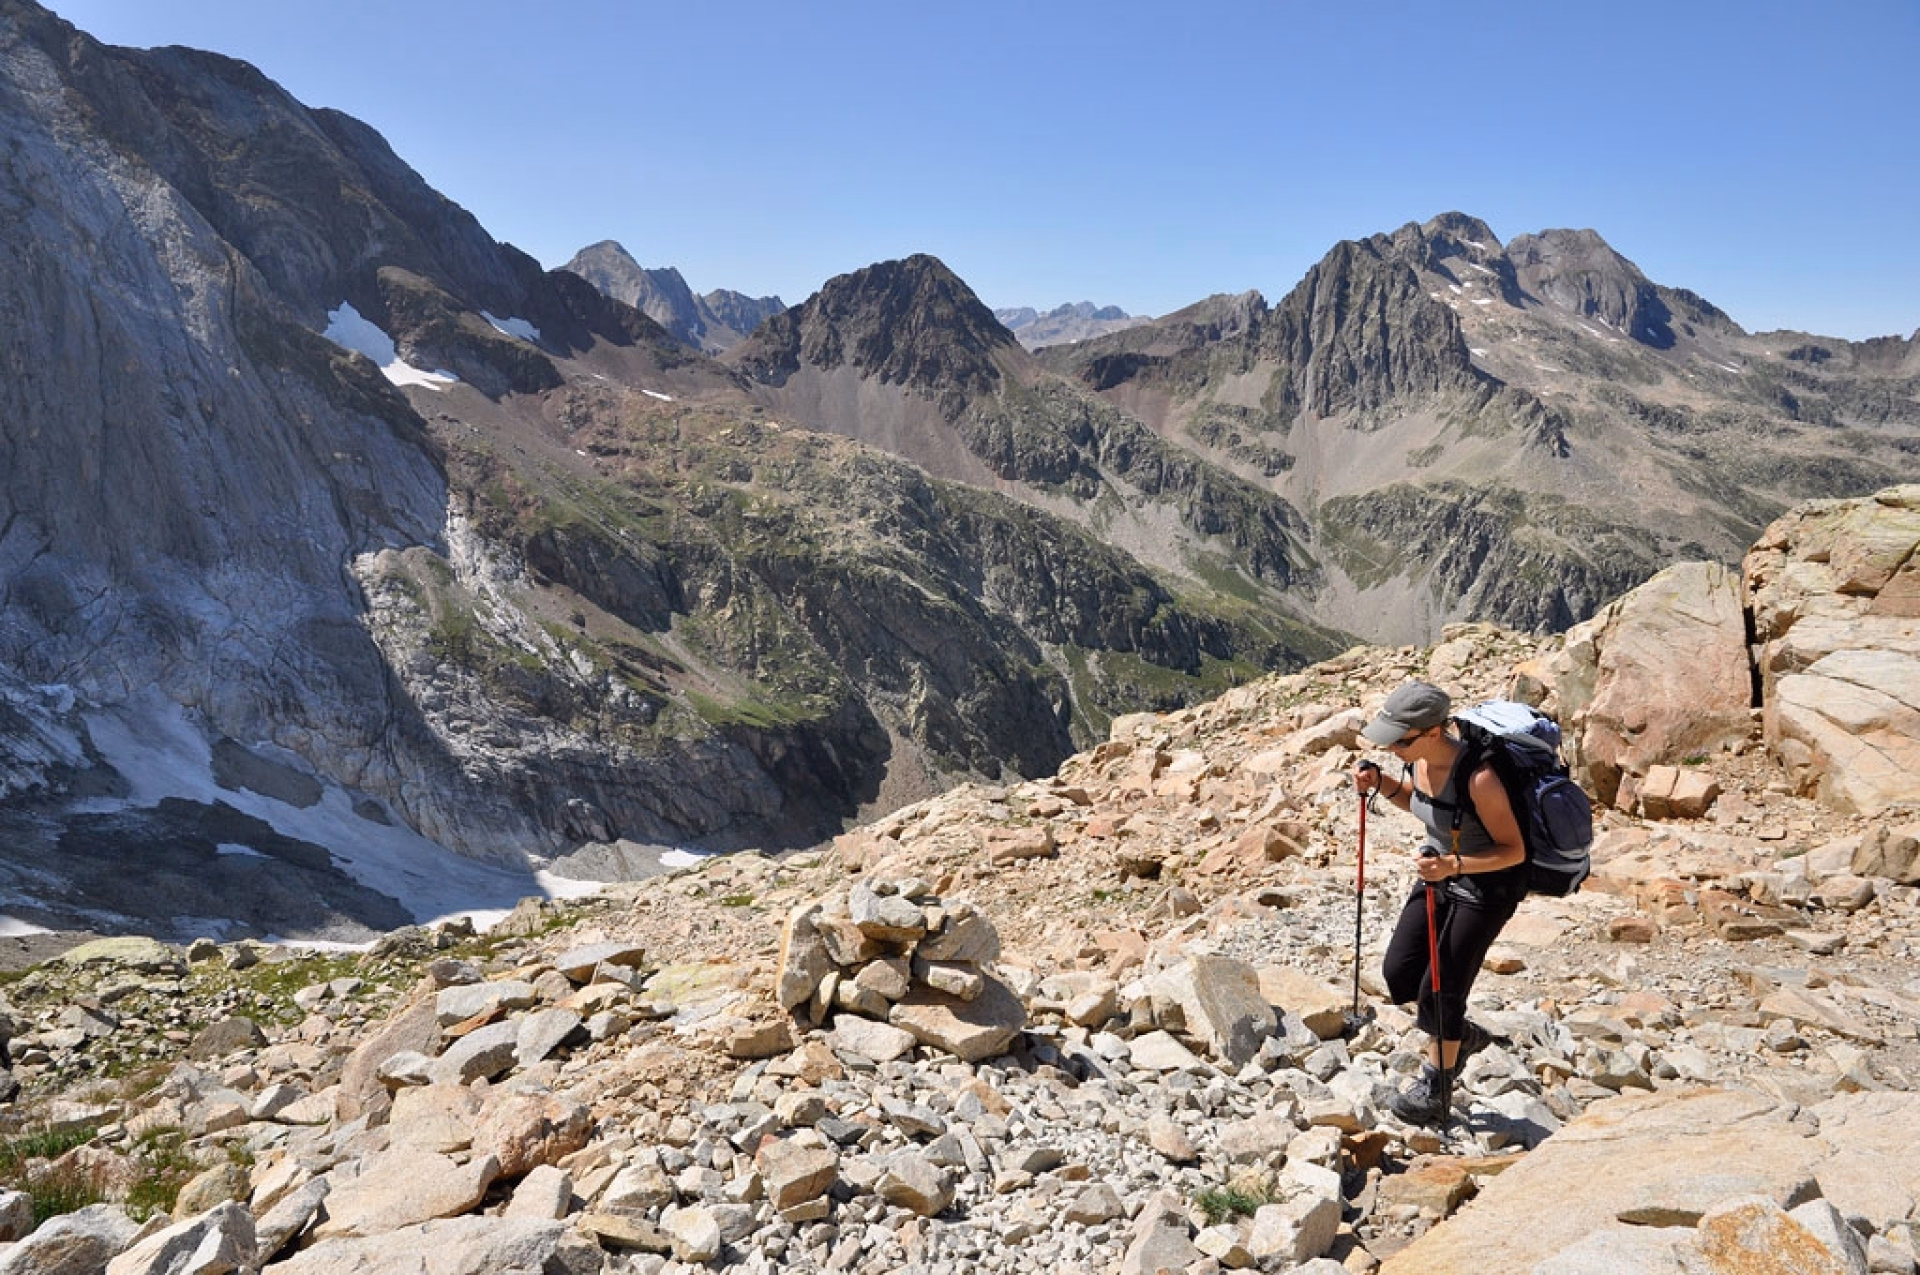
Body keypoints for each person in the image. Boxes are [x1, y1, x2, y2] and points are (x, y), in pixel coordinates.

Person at [1353, 681, 1529, 1125]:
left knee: (1442, 988)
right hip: (1441, 874)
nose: (1393, 747)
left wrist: (1453, 865)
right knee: (1400, 973)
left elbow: (1514, 850)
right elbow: (1424, 805)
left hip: (1487, 888)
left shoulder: (1480, 777)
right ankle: (1460, 1036)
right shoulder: (1421, 762)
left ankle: (1438, 1085)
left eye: (1401, 740)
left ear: (1433, 731)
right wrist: (1382, 783)